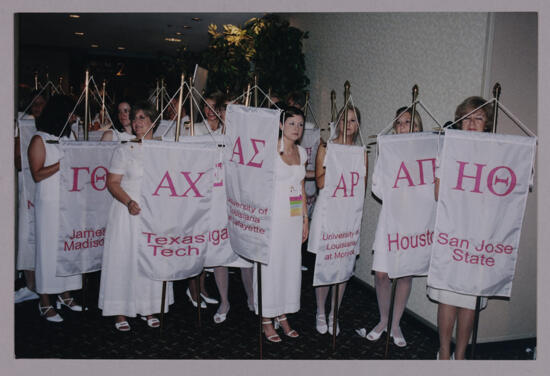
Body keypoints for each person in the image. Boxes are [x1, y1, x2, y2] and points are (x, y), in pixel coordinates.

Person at [98, 101, 174, 331]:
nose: (137, 122)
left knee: (149, 259)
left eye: (142, 117)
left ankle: (148, 307)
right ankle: (120, 311)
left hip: (153, 216)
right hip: (127, 212)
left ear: (153, 121)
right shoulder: (124, 149)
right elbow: (111, 183)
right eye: (135, 118)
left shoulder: (164, 150)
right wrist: (129, 202)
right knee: (124, 259)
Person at [429, 96, 492, 359]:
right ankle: (444, 353)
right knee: (448, 294)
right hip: (452, 231)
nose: (472, 123)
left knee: (469, 299)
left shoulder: (497, 151)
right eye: (467, 118)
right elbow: (437, 192)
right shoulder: (449, 149)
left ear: (487, 124)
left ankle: (461, 355)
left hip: (480, 235)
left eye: (479, 118)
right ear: (460, 121)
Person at [366, 106, 423, 347]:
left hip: (414, 221)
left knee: (405, 272)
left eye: (408, 122)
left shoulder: (426, 152)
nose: (402, 127)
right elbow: (377, 185)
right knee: (382, 274)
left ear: (417, 127)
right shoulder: (387, 150)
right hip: (390, 219)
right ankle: (384, 319)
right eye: (398, 123)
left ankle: (396, 324)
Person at [253, 105, 308, 342]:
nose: (297, 128)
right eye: (291, 123)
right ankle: (267, 317)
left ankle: (282, 313)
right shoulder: (268, 151)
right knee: (270, 268)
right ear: (280, 125)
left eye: (300, 124)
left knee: (289, 267)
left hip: (293, 219)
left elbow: (301, 189)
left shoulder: (302, 153)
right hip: (272, 218)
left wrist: (305, 219)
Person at [312, 104, 367, 336]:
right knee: (325, 264)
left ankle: (335, 312)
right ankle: (320, 312)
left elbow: (361, 189)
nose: (348, 125)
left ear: (358, 126)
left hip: (346, 216)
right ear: (338, 122)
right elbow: (321, 183)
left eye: (353, 121)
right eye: (345, 120)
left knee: (343, 267)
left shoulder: (361, 152)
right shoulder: (326, 147)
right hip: (326, 214)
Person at [27, 95, 83, 322]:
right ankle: (45, 301)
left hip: (69, 204)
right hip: (49, 204)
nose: (74, 118)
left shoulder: (70, 136)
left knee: (68, 250)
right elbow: (37, 174)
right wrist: (62, 163)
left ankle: (66, 294)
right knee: (48, 252)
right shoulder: (39, 140)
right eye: (71, 113)